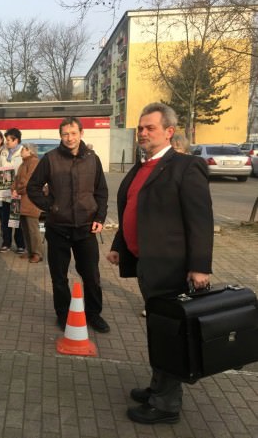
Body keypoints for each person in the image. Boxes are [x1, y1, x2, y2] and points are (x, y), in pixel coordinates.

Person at [106, 103, 213, 425]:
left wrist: (200, 266)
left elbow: (200, 220)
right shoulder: (142, 167)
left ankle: (166, 404)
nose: (143, 132)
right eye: (140, 128)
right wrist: (119, 246)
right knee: (157, 330)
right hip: (145, 263)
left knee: (169, 334)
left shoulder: (185, 166)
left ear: (169, 131)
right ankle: (158, 386)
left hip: (171, 265)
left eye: (150, 127)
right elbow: (132, 210)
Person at [27, 117, 109, 333]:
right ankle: (63, 314)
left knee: (91, 275)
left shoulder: (93, 158)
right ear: (60, 136)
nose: (69, 138)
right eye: (65, 134)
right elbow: (33, 187)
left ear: (81, 133)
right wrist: (51, 206)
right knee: (59, 276)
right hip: (58, 229)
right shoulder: (51, 159)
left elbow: (101, 191)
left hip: (86, 228)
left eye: (73, 133)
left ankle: (94, 314)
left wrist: (100, 217)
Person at [12, 143, 42, 263]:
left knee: (32, 228)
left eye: (24, 149)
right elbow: (17, 178)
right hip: (22, 199)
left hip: (30, 200)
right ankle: (29, 251)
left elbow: (28, 181)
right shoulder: (23, 163)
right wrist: (13, 189)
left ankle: (38, 253)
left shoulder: (34, 162)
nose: (21, 150)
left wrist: (17, 190)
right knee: (25, 227)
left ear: (30, 151)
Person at [0, 128, 26, 254]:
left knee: (17, 220)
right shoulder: (3, 152)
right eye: (6, 140)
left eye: (9, 140)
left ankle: (20, 244)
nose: (7, 142)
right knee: (5, 220)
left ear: (16, 140)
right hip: (4, 192)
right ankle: (6, 243)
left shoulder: (23, 152)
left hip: (16, 192)